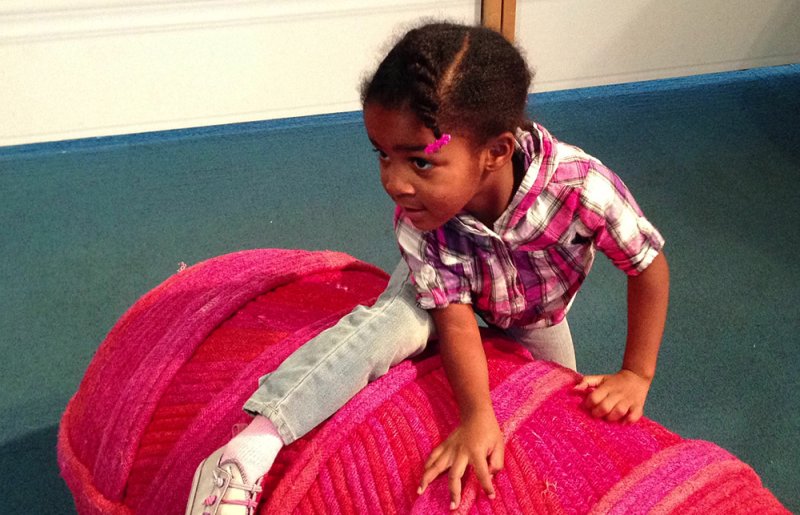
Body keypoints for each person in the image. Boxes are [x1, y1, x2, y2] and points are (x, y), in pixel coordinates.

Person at [186, 21, 669, 514]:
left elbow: (646, 264)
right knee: (395, 325)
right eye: (382, 155)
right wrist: (477, 415)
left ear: (495, 152)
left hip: (533, 313)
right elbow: (454, 317)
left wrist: (636, 373)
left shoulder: (580, 187)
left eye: (419, 162)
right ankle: (246, 451)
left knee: (559, 411)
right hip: (447, 292)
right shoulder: (422, 217)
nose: (393, 182)